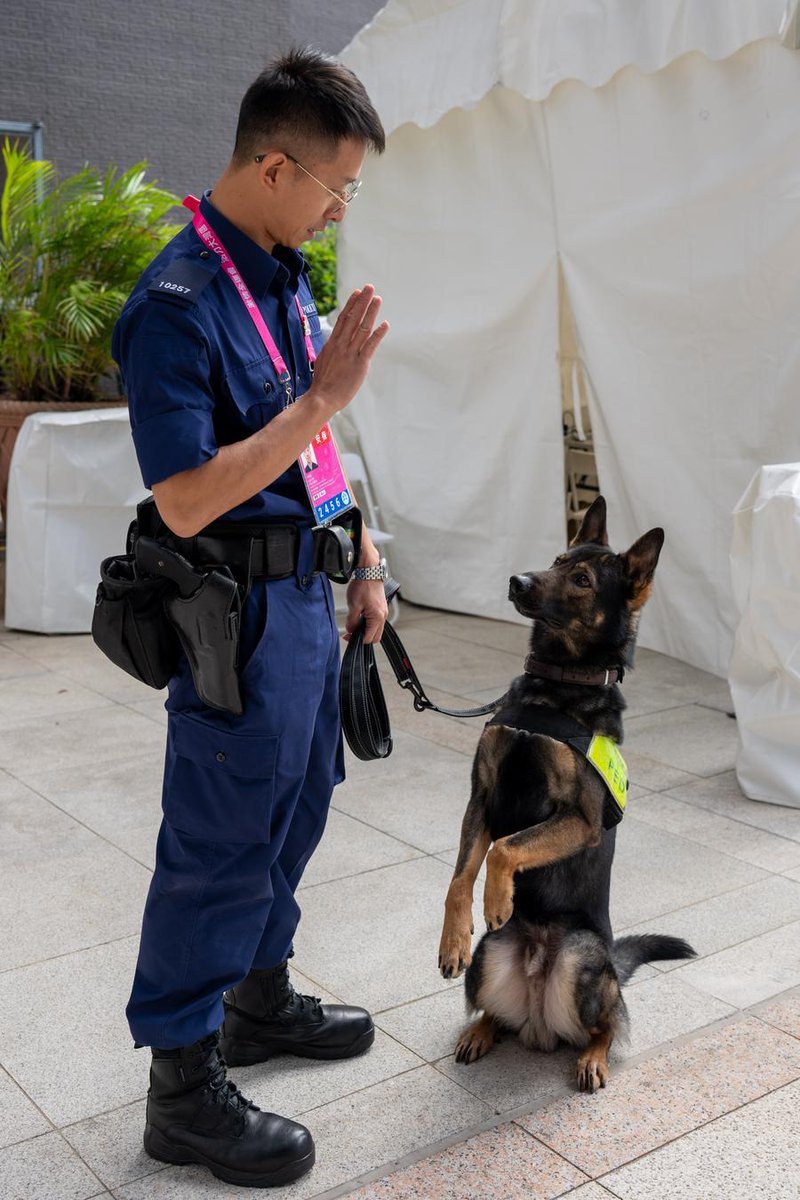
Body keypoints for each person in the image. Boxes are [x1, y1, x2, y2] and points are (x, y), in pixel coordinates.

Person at [111, 49, 389, 1189]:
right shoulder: (175, 303)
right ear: (272, 165)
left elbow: (304, 436)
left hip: (307, 594)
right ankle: (181, 1087)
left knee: (297, 802)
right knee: (218, 838)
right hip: (235, 613)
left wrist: (362, 547)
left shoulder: (276, 273)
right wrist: (324, 392)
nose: (338, 210)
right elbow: (184, 495)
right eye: (335, 187)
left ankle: (256, 1000)